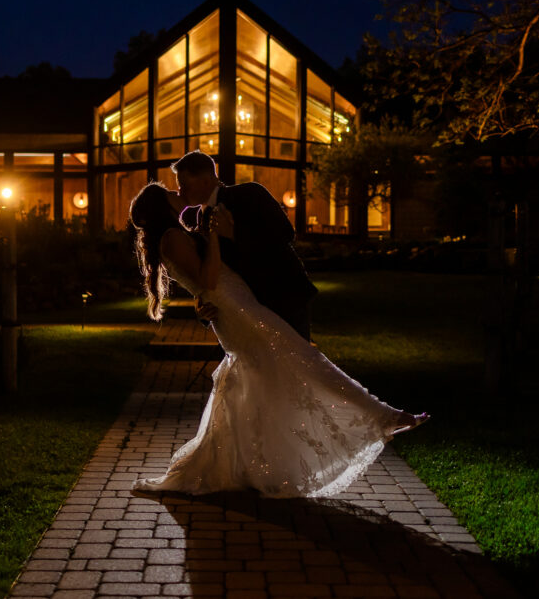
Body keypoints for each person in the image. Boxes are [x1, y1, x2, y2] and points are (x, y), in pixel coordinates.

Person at [127, 181, 429, 498]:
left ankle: (251, 462)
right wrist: (213, 236)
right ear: (162, 206)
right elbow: (207, 279)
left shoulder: (177, 234)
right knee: (302, 358)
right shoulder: (172, 238)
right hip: (235, 310)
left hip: (238, 302)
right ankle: (384, 416)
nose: (178, 194)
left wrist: (210, 238)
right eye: (169, 194)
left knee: (261, 380)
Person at [172, 151, 316, 340]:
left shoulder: (250, 193)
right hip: (244, 310)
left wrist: (233, 233)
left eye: (184, 185)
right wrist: (202, 304)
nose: (180, 192)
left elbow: (284, 233)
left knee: (295, 362)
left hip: (282, 297)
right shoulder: (198, 218)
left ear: (206, 180)